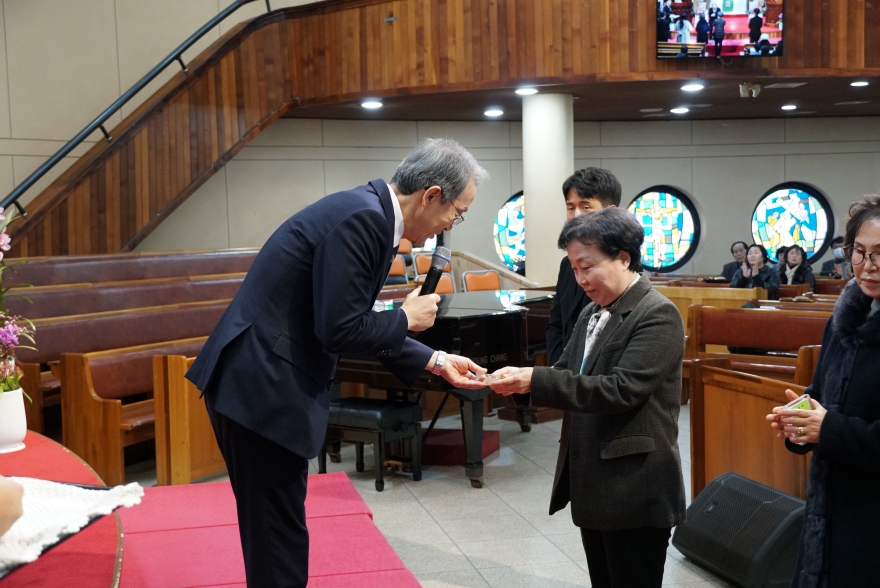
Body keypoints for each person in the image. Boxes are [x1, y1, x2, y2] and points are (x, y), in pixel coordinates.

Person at [186, 138, 489, 587]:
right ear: (431, 195)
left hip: (262, 382)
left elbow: (347, 321)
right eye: (457, 212)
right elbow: (341, 329)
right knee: (276, 539)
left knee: (277, 535)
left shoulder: (368, 213)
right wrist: (405, 318)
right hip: (262, 387)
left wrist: (436, 359)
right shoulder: (363, 219)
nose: (451, 224)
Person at [490, 209, 686, 588]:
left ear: (623, 258)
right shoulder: (592, 312)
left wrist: (537, 380)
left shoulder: (657, 314)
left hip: (634, 486)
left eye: (587, 267)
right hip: (595, 481)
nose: (580, 280)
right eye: (574, 269)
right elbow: (566, 371)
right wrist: (519, 379)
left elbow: (620, 390)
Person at [766, 194, 880, 587]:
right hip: (831, 502)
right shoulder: (845, 318)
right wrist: (799, 420)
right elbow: (822, 393)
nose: (868, 265)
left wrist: (827, 428)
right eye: (859, 252)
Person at [546, 168, 622, 366]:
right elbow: (556, 325)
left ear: (611, 212)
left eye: (585, 207)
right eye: (571, 208)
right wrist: (557, 370)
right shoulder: (566, 265)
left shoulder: (621, 264)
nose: (576, 216)